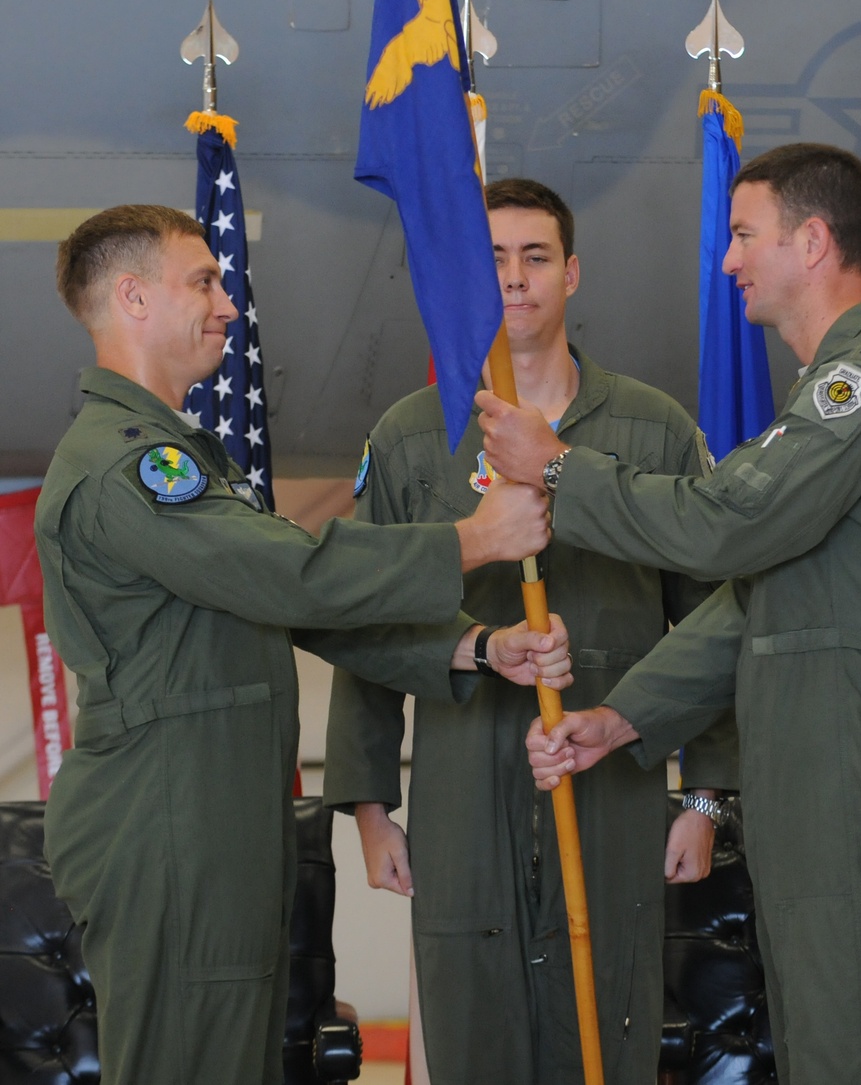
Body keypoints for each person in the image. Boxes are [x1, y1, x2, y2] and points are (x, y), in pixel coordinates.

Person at [34, 204, 573, 1085]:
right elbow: (294, 574)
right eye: (202, 281)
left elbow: (296, 611)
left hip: (207, 814)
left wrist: (474, 648)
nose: (227, 303)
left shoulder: (180, 455)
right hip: (172, 821)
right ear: (132, 297)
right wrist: (471, 539)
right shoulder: (127, 465)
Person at [478, 145, 861, 1085]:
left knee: (858, 1050)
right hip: (813, 750)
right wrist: (623, 717)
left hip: (847, 750)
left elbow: (724, 526)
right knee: (827, 1042)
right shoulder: (825, 396)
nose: (729, 259)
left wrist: (558, 467)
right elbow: (755, 604)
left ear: (814, 241)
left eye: (745, 235)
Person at [324, 178, 738, 1085]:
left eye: (536, 256)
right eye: (494, 259)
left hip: (616, 775)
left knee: (608, 1018)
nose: (514, 278)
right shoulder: (409, 437)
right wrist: (367, 807)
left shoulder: (654, 429)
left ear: (573, 272)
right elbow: (365, 627)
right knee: (475, 1024)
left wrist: (704, 799)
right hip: (463, 777)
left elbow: (711, 621)